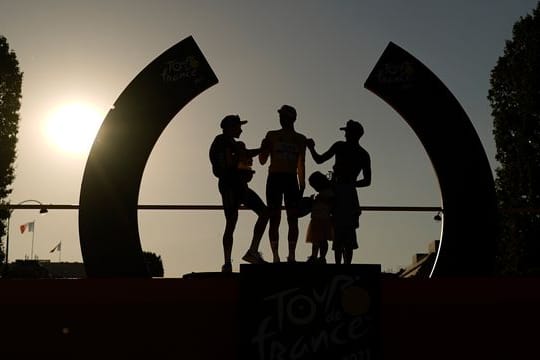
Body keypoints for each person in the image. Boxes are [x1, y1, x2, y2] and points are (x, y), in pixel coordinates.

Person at [306, 120, 371, 264]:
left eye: (347, 132)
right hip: (348, 194)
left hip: (340, 192)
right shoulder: (363, 154)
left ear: (353, 134)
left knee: (339, 231)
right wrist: (352, 184)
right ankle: (344, 266)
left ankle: (338, 265)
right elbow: (367, 181)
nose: (346, 134)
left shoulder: (341, 147)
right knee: (346, 232)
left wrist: (311, 148)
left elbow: (319, 159)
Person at [209, 114, 269, 272]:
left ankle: (237, 258)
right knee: (234, 221)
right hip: (232, 185)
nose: (241, 130)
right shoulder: (223, 141)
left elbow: (236, 160)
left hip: (234, 184)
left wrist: (243, 170)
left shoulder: (226, 142)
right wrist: (263, 150)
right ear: (230, 127)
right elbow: (235, 159)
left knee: (237, 220)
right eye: (238, 127)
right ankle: (236, 258)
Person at [259, 105, 307, 263]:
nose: (281, 119)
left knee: (293, 218)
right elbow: (262, 160)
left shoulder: (300, 138)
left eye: (284, 116)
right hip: (274, 178)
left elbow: (301, 162)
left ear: (292, 118)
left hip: (291, 179)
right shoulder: (271, 135)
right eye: (280, 116)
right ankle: (275, 256)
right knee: (275, 217)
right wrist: (263, 147)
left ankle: (291, 255)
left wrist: (302, 184)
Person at [305, 171, 335, 264]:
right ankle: (314, 256)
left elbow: (331, 203)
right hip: (316, 219)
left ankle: (322, 257)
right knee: (315, 240)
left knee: (322, 240)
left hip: (324, 219)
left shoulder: (329, 192)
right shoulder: (322, 193)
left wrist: (319, 199)